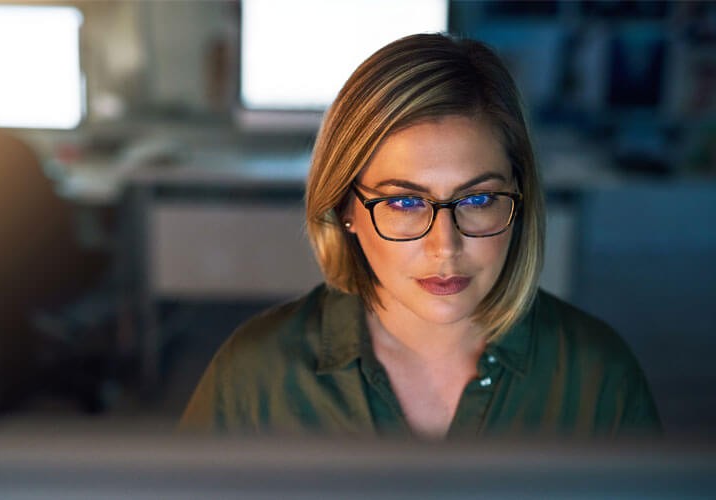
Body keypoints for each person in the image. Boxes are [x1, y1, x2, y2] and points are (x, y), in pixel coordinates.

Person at [180, 33, 661, 439]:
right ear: (345, 206)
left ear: (519, 198)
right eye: (405, 203)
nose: (445, 247)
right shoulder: (255, 374)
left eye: (477, 200)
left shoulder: (598, 376)